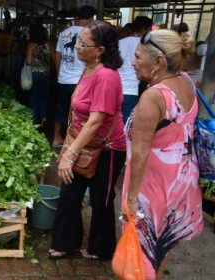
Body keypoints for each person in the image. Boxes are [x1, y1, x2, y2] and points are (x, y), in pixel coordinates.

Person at [122, 29, 203, 280]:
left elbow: (141, 152)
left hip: (153, 188)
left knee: (137, 259)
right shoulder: (187, 82)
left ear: (158, 62)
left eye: (137, 57)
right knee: (161, 247)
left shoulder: (154, 96)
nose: (132, 63)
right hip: (181, 183)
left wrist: (132, 200)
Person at [49, 20, 126, 260]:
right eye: (78, 41)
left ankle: (100, 248)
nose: (77, 47)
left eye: (83, 43)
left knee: (101, 200)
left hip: (106, 148)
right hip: (83, 142)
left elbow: (95, 121)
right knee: (69, 194)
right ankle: (66, 242)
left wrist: (69, 153)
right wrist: (71, 147)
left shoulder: (106, 76)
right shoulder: (88, 68)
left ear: (100, 50)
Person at [52, 5, 95, 147]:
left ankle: (56, 138)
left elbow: (58, 56)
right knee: (79, 112)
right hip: (80, 81)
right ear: (90, 18)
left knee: (61, 108)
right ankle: (74, 141)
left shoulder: (64, 33)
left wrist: (59, 74)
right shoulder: (89, 34)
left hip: (63, 80)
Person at [119, 16, 153, 123]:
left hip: (115, 88)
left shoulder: (119, 43)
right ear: (144, 29)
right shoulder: (144, 45)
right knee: (127, 123)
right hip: (130, 89)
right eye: (149, 30)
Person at [25, 24, 56, 125]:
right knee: (43, 97)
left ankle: (35, 121)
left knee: (34, 97)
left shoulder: (31, 45)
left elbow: (28, 61)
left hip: (33, 73)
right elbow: (55, 59)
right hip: (45, 74)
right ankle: (44, 118)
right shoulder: (49, 45)